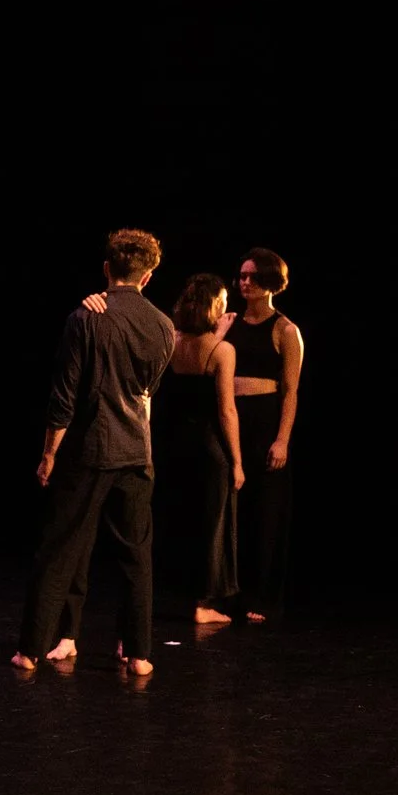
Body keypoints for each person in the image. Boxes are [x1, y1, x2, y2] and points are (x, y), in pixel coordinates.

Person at [13, 229, 173, 676]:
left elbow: (63, 397)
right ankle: (139, 653)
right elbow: (147, 390)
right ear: (149, 275)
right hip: (137, 454)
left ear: (107, 269)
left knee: (59, 549)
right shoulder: (163, 325)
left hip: (90, 451)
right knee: (136, 555)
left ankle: (30, 649)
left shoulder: (86, 317)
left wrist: (48, 454)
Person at [158, 274, 243, 627]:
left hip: (174, 445)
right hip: (208, 448)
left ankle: (175, 593)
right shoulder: (222, 351)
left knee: (182, 520)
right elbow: (226, 410)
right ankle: (203, 603)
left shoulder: (170, 341)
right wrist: (237, 461)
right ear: (214, 307)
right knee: (213, 523)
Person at [228, 247, 302, 623]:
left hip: (265, 422)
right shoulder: (229, 322)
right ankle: (228, 591)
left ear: (271, 282)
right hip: (231, 420)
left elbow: (291, 390)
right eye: (241, 276)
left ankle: (264, 595)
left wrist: (282, 439)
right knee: (232, 510)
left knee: (266, 511)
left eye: (253, 277)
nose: (245, 283)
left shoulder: (286, 330)